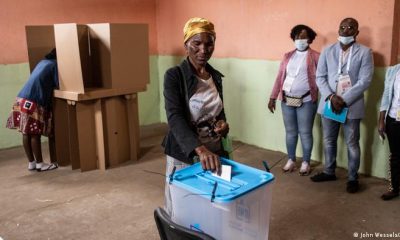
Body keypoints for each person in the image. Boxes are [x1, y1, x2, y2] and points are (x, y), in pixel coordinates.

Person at [162, 17, 229, 214]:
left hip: (213, 150)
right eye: (196, 43)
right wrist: (200, 150)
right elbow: (175, 117)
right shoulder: (174, 76)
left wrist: (223, 125)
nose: (203, 49)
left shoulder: (215, 76)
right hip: (186, 152)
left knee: (210, 201)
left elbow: (219, 110)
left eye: (209, 44)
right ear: (186, 45)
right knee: (182, 203)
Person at [310, 18, 374, 193]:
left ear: (356, 32)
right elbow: (320, 77)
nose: (346, 30)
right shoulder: (327, 50)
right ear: (338, 29)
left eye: (350, 27)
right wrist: (331, 96)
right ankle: (329, 171)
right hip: (329, 103)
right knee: (329, 140)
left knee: (352, 143)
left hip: (351, 105)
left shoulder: (365, 52)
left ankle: (353, 178)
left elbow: (365, 81)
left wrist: (343, 99)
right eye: (342, 27)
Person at [268, 24, 320, 176]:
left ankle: (305, 162)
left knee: (305, 132)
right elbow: (280, 77)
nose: (300, 40)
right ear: (293, 39)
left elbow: (322, 78)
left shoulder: (316, 56)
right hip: (287, 99)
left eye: (303, 37)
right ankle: (291, 160)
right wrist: (272, 97)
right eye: (297, 37)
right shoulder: (287, 56)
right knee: (290, 132)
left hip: (306, 100)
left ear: (310, 38)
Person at [6, 49, 59, 172]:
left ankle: (32, 163)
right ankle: (40, 164)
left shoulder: (43, 62)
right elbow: (58, 84)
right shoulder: (54, 65)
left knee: (26, 133)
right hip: (33, 101)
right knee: (35, 133)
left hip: (21, 98)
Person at [378, 63, 400, 200]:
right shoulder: (393, 71)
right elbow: (386, 96)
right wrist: (381, 120)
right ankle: (394, 188)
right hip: (393, 119)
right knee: (396, 155)